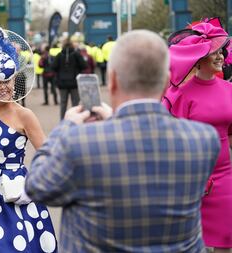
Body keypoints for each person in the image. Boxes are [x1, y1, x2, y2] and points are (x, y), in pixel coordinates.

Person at [25, 29, 221, 252]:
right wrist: (117, 120)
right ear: (167, 81)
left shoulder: (78, 142)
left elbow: (37, 186)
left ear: (113, 80)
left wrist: (66, 127)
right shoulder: (204, 140)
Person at [0, 21, 57, 252]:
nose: (1, 87)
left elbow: (50, 156)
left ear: (14, 80)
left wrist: (32, 186)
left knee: (11, 245)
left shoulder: (24, 115)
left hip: (15, 192)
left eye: (6, 81)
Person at [162, 19, 232, 252]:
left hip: (224, 178)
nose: (221, 56)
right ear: (200, 58)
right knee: (189, 244)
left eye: (222, 50)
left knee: (225, 242)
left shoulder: (229, 90)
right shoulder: (180, 95)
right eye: (214, 52)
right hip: (191, 179)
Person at [52, 38, 86, 119]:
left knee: (63, 103)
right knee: (75, 103)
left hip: (62, 83)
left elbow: (53, 67)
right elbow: (84, 65)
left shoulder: (59, 55)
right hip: (75, 82)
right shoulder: (76, 54)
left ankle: (62, 120)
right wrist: (78, 70)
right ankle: (76, 120)